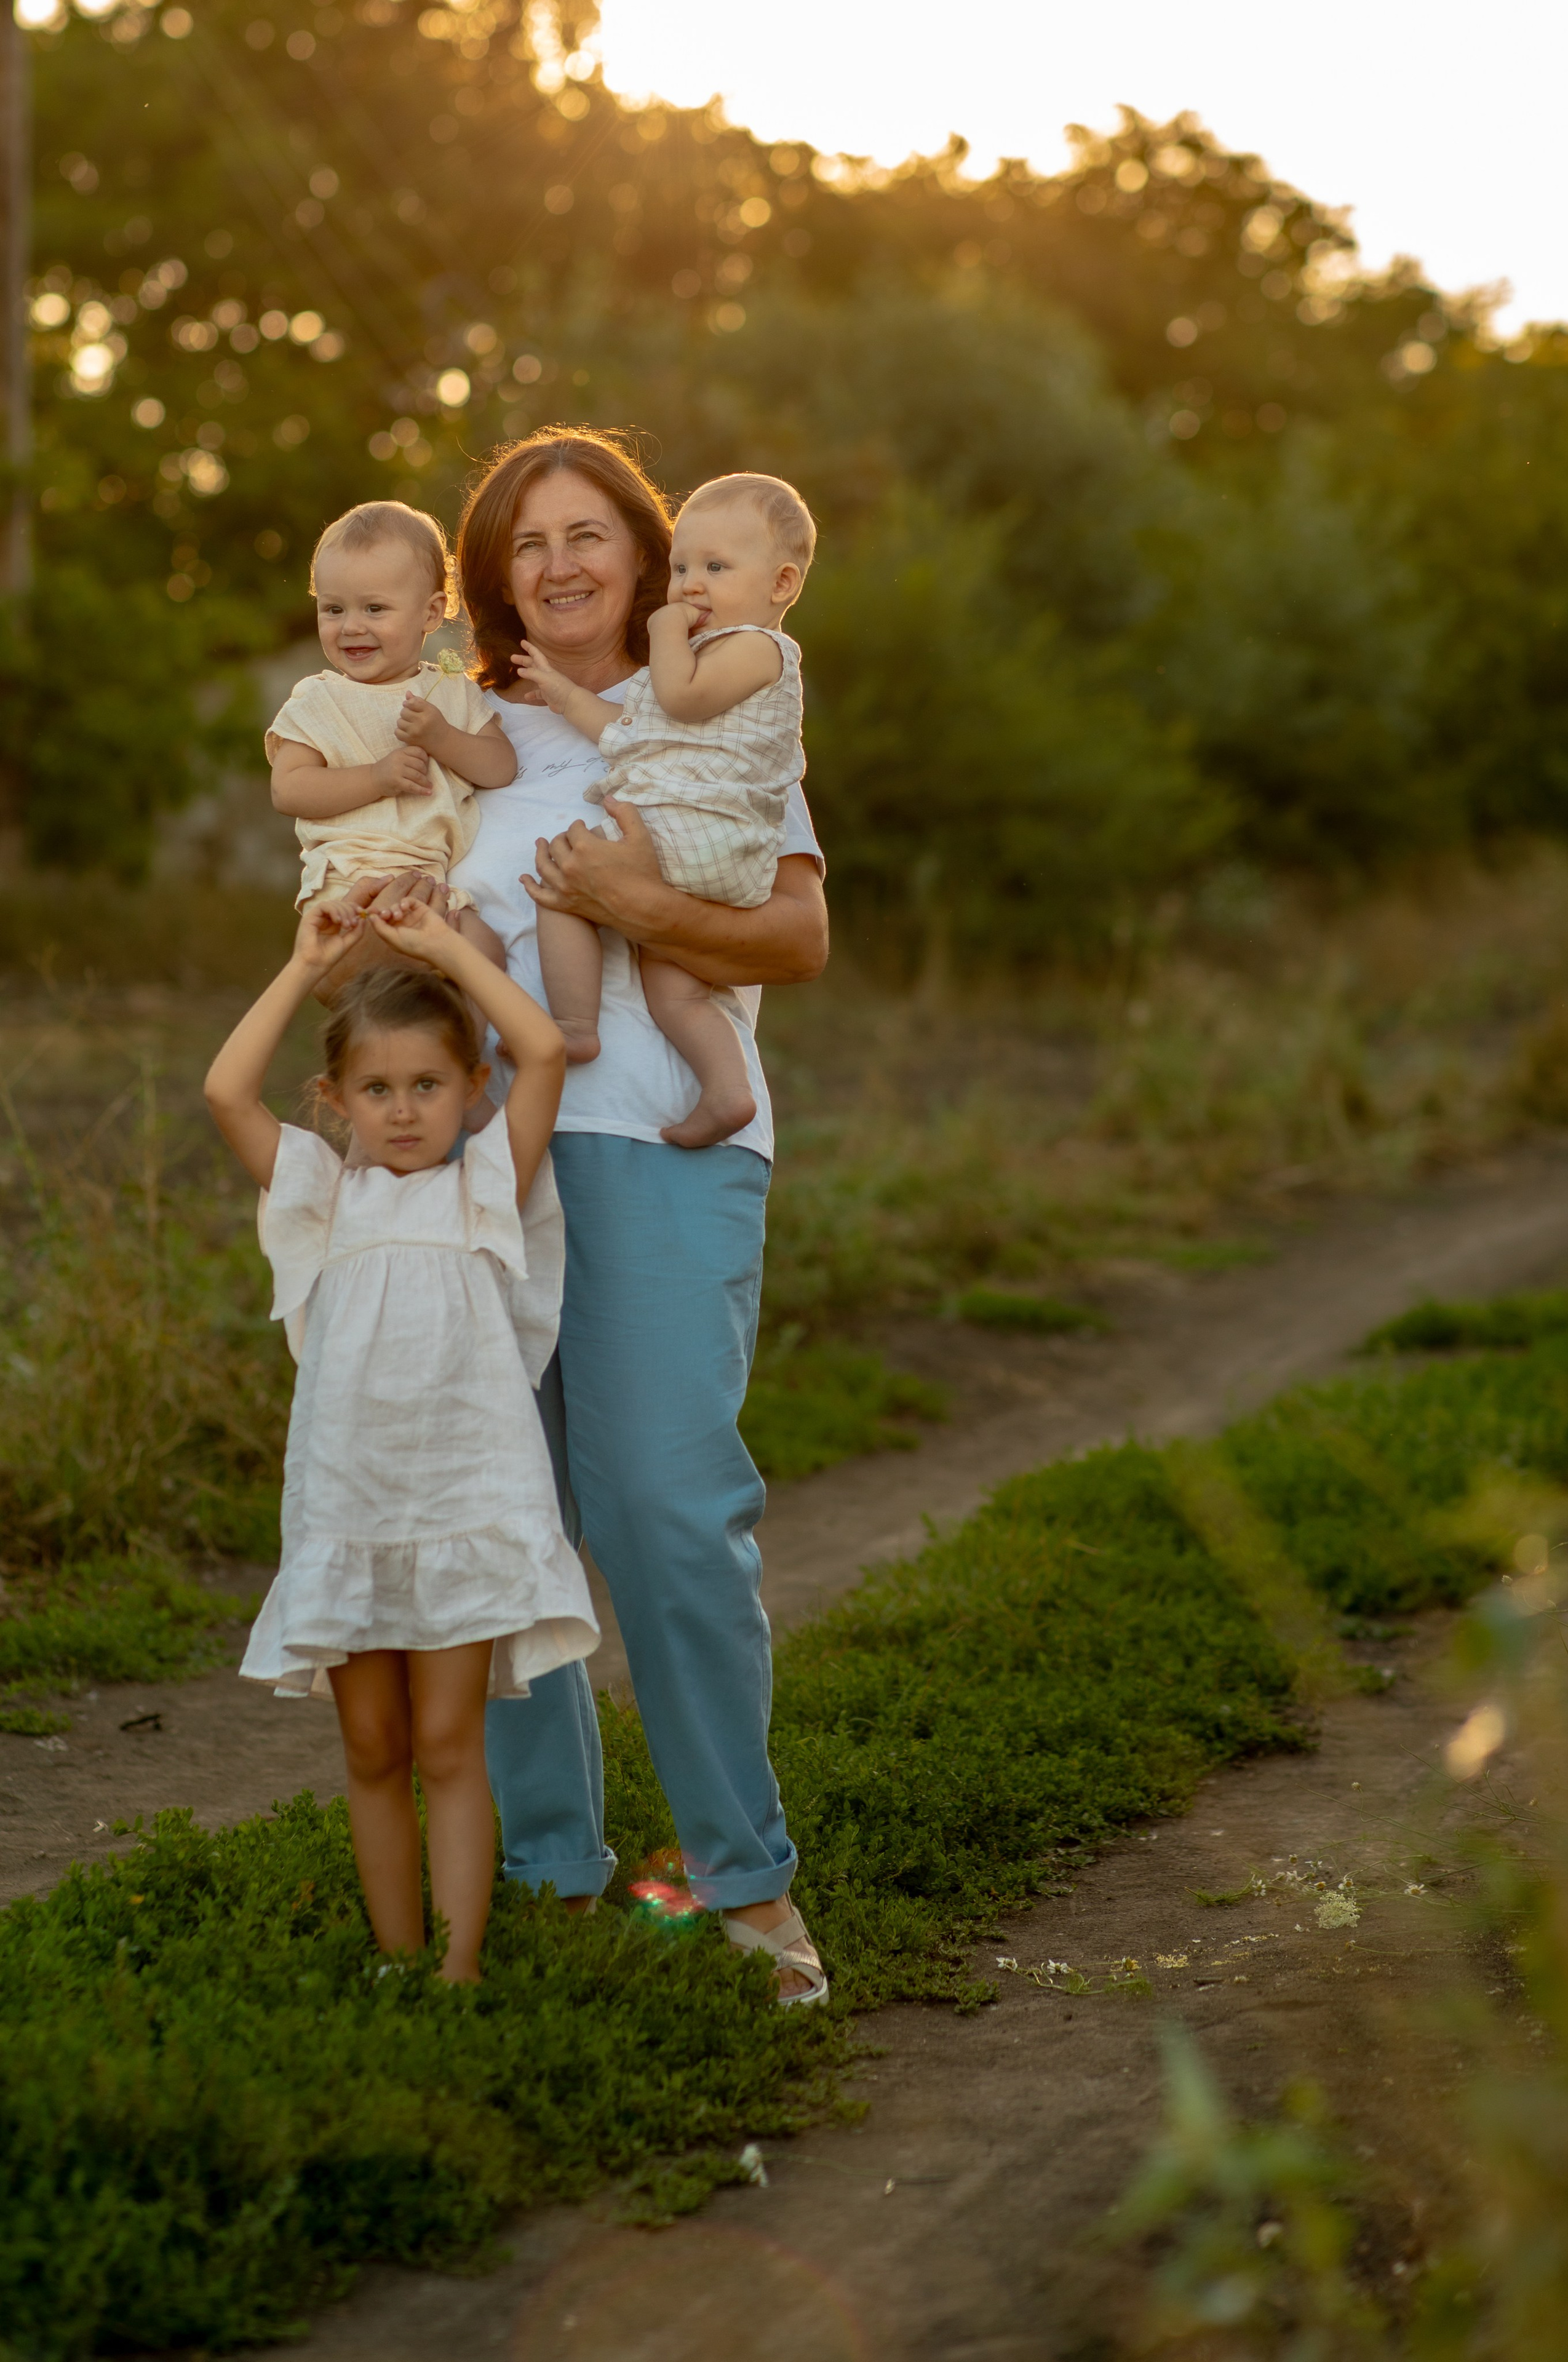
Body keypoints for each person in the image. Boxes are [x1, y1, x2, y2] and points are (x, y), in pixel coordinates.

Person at [447, 427, 830, 2003]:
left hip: (664, 1141)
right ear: (497, 574)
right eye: (527, 539)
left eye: (589, 529)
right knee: (505, 1524)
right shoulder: (461, 730)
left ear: (647, 552)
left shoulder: (721, 692)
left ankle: (743, 1880)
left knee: (667, 1512)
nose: (559, 560)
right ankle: (546, 1873)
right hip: (482, 1161)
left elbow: (796, 934)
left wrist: (630, 908)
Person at [202, 892, 597, 1984]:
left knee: (446, 1746)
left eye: (429, 1085)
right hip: (350, 1508)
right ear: (335, 1102)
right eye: (377, 1090)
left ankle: (460, 1972)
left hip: (464, 1506)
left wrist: (437, 951)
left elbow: (542, 1051)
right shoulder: (322, 1200)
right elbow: (226, 1090)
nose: (406, 1110)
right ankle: (396, 1960)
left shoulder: (484, 1189)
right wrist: (300, 966)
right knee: (372, 1748)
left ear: (472, 1094)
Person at [518, 471, 814, 1150]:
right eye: (683, 567)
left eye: (715, 567)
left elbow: (674, 703)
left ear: (781, 585)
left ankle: (573, 1027)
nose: (691, 585)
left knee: (564, 882)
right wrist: (563, 695)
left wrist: (661, 628)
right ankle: (727, 1090)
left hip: (702, 834)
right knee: (675, 987)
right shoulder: (708, 663)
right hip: (711, 857)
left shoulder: (757, 649)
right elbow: (634, 732)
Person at [267, 499, 515, 993]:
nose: (351, 626)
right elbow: (289, 789)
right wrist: (376, 778)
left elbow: (501, 767)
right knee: (374, 994)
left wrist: (443, 738)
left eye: (374, 608)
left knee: (487, 950)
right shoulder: (320, 698)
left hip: (433, 887)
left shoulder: (450, 690)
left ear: (430, 613)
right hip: (350, 882)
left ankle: (468, 1053)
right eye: (333, 609)